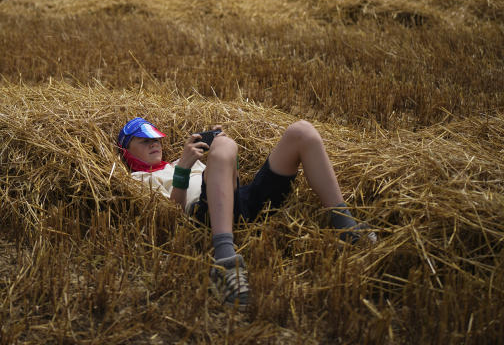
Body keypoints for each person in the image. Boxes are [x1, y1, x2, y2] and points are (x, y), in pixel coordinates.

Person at [117, 117, 376, 310]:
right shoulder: (139, 179)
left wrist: (224, 156)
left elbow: (226, 178)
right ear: (127, 151)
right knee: (225, 147)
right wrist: (185, 167)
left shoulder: (181, 161)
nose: (154, 144)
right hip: (203, 215)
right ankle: (225, 260)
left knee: (302, 131)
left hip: (238, 200)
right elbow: (173, 215)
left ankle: (345, 226)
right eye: (144, 141)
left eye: (156, 139)